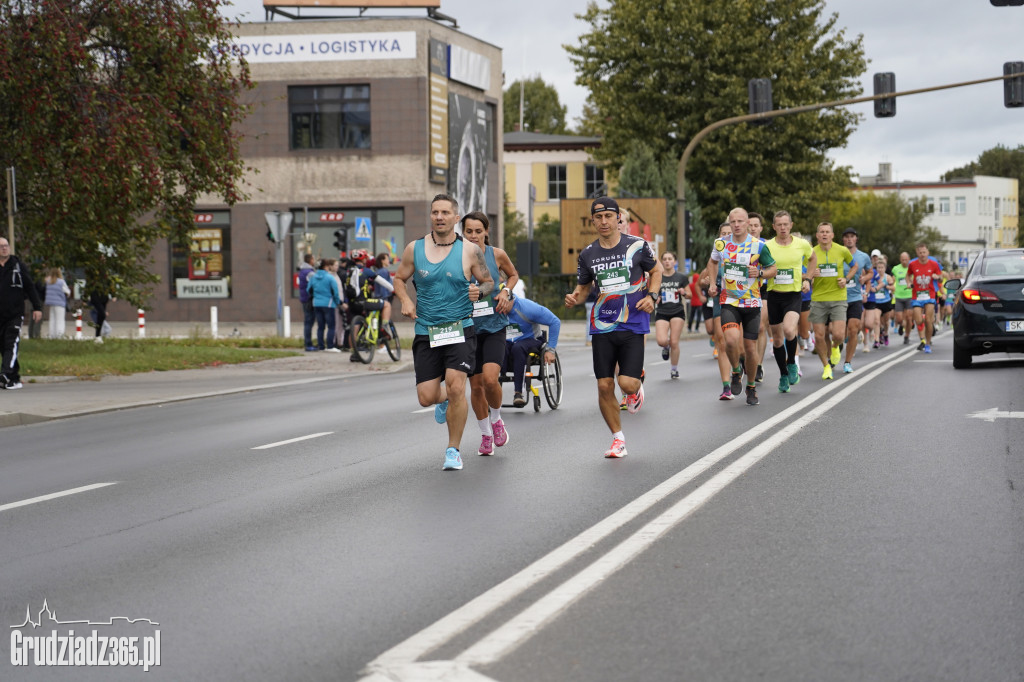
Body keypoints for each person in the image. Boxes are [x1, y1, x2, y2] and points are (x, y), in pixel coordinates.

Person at [392, 193, 493, 471]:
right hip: (427, 330)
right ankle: (445, 398)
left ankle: (453, 450)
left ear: (456, 217)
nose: (439, 217)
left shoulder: (470, 251)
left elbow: (488, 282)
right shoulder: (415, 248)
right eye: (435, 212)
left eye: (445, 213)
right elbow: (399, 278)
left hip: (460, 327)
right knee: (426, 396)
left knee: (457, 386)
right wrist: (405, 300)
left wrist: (478, 290)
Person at [565, 197, 662, 458]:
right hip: (602, 324)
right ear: (593, 220)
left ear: (618, 218)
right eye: (599, 217)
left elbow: (657, 271)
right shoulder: (588, 254)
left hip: (633, 322)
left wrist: (652, 297)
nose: (604, 221)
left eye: (609, 216)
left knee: (627, 383)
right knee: (605, 385)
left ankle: (635, 389)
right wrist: (576, 297)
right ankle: (618, 439)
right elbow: (584, 287)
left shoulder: (638, 246)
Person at [706, 207, 777, 406]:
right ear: (729, 222)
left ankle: (751, 386)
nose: (736, 225)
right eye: (733, 221)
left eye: (740, 221)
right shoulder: (721, 244)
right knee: (730, 341)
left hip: (752, 302)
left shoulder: (759, 246)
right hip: (729, 300)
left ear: (747, 223)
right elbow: (712, 263)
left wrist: (760, 273)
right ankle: (736, 371)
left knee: (750, 349)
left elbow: (773, 269)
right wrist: (713, 283)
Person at [461, 211, 518, 456]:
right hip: (468, 329)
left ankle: (496, 419)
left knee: (490, 380)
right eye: (468, 231)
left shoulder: (496, 255)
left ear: (486, 231)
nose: (473, 236)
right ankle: (485, 435)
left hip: (494, 325)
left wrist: (506, 291)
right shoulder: (456, 257)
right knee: (475, 387)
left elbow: (513, 275)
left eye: (478, 231)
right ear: (462, 233)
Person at [764, 211, 815, 393]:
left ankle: (792, 362)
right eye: (779, 225)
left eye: (786, 224)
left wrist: (808, 279)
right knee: (777, 340)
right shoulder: (767, 246)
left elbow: (812, 259)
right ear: (774, 227)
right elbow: (759, 264)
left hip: (793, 295)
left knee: (788, 329)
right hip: (774, 296)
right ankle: (783, 374)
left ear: (791, 225)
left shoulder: (801, 244)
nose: (783, 228)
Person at [808, 222, 856, 380]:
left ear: (832, 235)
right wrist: (810, 275)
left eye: (827, 232)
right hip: (818, 299)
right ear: (817, 235)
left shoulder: (842, 250)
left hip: (838, 297)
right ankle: (826, 366)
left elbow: (854, 266)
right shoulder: (811, 252)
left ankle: (836, 347)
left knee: (838, 335)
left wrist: (846, 279)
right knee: (820, 336)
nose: (824, 234)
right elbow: (802, 273)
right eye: (821, 232)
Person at [0, 237, 43, 389]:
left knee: (11, 342)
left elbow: (30, 287)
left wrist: (37, 307)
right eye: (1, 246)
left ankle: (4, 373)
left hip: (15, 314)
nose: (4, 248)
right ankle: (13, 377)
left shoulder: (18, 266)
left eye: (6, 246)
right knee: (3, 345)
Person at [504, 294, 560, 405]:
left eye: (503, 302)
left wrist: (551, 349)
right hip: (506, 340)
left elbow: (555, 321)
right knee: (498, 348)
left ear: (511, 300)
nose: (500, 306)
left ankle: (518, 392)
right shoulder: (495, 309)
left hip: (530, 339)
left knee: (517, 348)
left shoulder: (527, 308)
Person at [840, 227, 872, 374]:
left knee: (853, 329)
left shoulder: (863, 256)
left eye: (852, 236)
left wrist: (864, 278)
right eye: (846, 237)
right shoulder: (838, 254)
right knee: (839, 334)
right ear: (843, 239)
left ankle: (847, 362)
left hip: (855, 298)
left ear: (856, 239)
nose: (849, 239)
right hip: (838, 299)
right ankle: (837, 349)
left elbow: (870, 272)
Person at [654, 251, 689, 379]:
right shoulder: (658, 277)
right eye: (665, 259)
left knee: (674, 342)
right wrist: (655, 298)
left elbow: (689, 294)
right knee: (661, 340)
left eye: (670, 259)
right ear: (662, 262)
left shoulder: (681, 277)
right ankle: (665, 346)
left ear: (674, 261)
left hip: (677, 311)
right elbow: (652, 293)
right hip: (662, 311)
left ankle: (674, 369)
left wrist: (683, 292)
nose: (667, 261)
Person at [906, 243, 943, 354]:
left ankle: (927, 343)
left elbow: (941, 278)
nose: (922, 254)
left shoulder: (933, 264)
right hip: (917, 296)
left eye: (924, 252)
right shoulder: (912, 264)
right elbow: (908, 275)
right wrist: (908, 282)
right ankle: (924, 317)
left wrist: (938, 277)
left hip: (930, 295)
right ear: (917, 253)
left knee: (928, 321)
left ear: (928, 252)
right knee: (918, 320)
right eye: (920, 252)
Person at [747, 212, 770, 384]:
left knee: (761, 327)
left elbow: (775, 266)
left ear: (761, 228)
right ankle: (747, 359)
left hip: (763, 289)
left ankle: (759, 364)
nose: (753, 228)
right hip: (743, 290)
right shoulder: (739, 245)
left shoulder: (767, 245)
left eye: (756, 225)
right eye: (750, 225)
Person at [306, 258, 342, 352]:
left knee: (320, 326)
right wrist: (337, 302)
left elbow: (308, 289)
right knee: (331, 326)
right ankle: (330, 346)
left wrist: (315, 296)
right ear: (326, 266)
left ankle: (321, 346)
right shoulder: (330, 277)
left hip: (316, 303)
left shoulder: (313, 277)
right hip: (329, 304)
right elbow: (335, 292)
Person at [891, 251, 914, 345]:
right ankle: (901, 325)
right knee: (899, 318)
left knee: (909, 318)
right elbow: (892, 279)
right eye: (902, 259)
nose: (904, 261)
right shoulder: (896, 269)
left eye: (906, 259)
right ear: (900, 260)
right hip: (899, 296)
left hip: (909, 296)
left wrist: (911, 283)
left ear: (909, 259)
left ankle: (907, 336)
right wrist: (891, 284)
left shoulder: (912, 268)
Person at [297, 253, 317, 351]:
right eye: (314, 259)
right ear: (310, 260)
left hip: (304, 298)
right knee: (309, 322)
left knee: (307, 322)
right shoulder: (310, 272)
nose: (315, 261)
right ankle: (308, 344)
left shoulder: (302, 271)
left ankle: (308, 343)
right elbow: (314, 285)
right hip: (309, 299)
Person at [44, 267, 71, 339]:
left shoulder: (48, 281)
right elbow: (68, 292)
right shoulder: (61, 282)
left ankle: (52, 336)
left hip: (51, 303)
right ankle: (60, 336)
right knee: (60, 320)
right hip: (60, 303)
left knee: (52, 320)